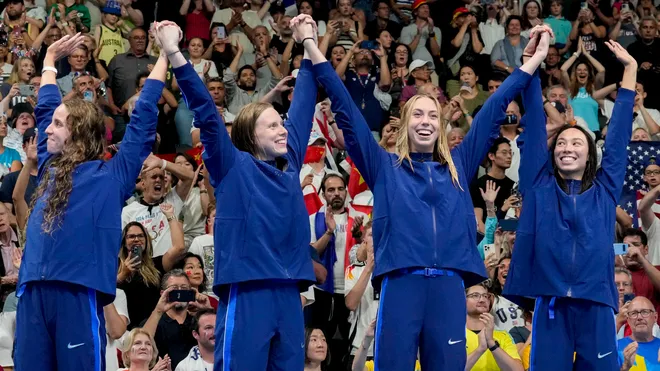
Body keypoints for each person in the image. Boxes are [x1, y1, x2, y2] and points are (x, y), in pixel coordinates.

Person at [316, 11, 549, 368]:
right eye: (417, 115)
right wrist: (312, 51)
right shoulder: (384, 167)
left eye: (431, 116)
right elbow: (347, 112)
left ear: (440, 125)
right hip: (401, 284)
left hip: (449, 287)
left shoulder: (460, 163)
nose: (424, 122)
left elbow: (494, 110)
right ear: (405, 123)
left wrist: (531, 61)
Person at [156, 15, 323, 369]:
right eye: (273, 125)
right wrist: (174, 53)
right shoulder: (230, 165)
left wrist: (308, 44)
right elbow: (205, 110)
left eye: (282, 123)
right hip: (248, 292)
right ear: (249, 134)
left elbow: (305, 103)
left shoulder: (290, 160)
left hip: (291, 293)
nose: (283, 130)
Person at [13, 31, 167, 370]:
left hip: (77, 295)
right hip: (32, 294)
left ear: (79, 132)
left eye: (57, 125)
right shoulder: (51, 164)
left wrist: (166, 58)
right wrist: (50, 61)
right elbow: (45, 107)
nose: (47, 130)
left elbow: (141, 126)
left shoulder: (112, 177)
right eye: (49, 124)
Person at [503, 26, 637, 369]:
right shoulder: (538, 187)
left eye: (577, 142)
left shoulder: (605, 189)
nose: (567, 147)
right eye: (561, 142)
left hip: (596, 305)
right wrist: (532, 64)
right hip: (551, 306)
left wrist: (630, 73)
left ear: (590, 154)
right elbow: (533, 124)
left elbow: (619, 139)